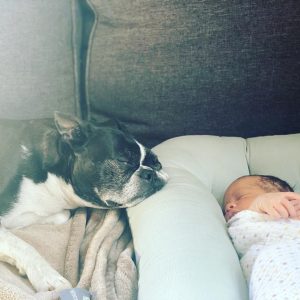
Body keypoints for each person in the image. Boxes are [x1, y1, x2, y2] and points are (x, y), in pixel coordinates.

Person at [223, 175, 300, 300]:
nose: (229, 206)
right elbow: (242, 232)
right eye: (225, 206)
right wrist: (258, 203)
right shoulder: (244, 222)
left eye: (241, 197)